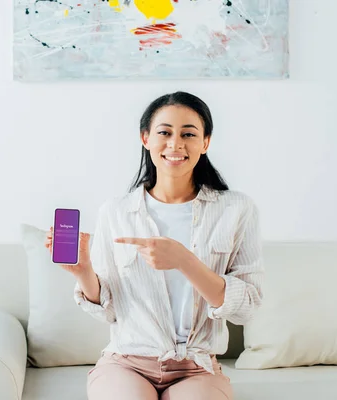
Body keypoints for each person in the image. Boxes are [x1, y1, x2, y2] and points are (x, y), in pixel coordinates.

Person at [45, 91, 264, 400]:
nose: (175, 144)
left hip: (197, 367)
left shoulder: (236, 210)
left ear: (206, 142)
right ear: (145, 138)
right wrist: (84, 273)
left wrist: (184, 260)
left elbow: (247, 308)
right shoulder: (116, 211)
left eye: (188, 133)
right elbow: (108, 311)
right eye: (164, 132)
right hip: (126, 363)